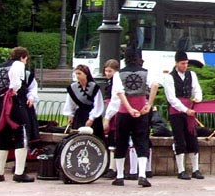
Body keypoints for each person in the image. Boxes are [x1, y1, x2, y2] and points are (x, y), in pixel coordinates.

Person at [0, 47, 35, 182]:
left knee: (2, 134)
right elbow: (15, 82)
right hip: (13, 103)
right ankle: (19, 173)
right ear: (24, 57)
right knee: (22, 133)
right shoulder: (19, 64)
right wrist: (12, 90)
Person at [110, 51, 159, 186]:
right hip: (142, 112)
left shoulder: (118, 74)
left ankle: (119, 176)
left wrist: (129, 108)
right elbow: (155, 85)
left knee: (121, 142)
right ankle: (142, 174)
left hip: (124, 112)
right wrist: (149, 105)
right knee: (142, 141)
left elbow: (120, 92)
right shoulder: (146, 72)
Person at [164, 50, 204, 180]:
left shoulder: (191, 74)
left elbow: (197, 89)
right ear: (176, 63)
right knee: (179, 138)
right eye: (182, 63)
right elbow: (171, 98)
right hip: (176, 111)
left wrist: (197, 98)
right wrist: (185, 109)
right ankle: (181, 170)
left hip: (189, 110)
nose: (185, 66)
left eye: (186, 63)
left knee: (192, 137)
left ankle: (195, 169)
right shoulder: (169, 77)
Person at [61, 65, 104, 136]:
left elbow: (98, 104)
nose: (77, 76)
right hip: (80, 116)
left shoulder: (94, 87)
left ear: (86, 74)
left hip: (93, 115)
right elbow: (70, 103)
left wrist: (91, 119)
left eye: (79, 73)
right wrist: (70, 115)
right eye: (76, 74)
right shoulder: (73, 88)